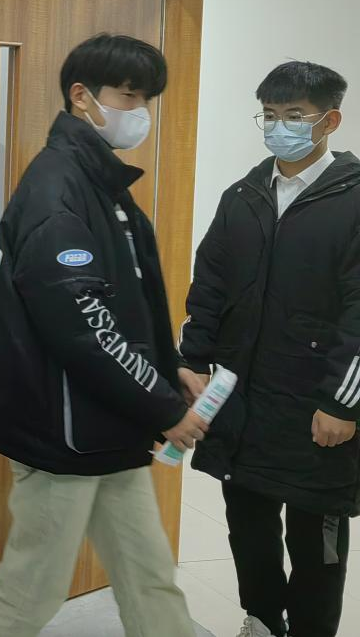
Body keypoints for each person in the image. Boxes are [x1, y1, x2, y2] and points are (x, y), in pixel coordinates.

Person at [0, 33, 198, 637]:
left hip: (108, 425)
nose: (139, 112)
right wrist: (166, 409)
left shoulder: (101, 185)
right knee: (29, 591)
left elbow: (130, 305)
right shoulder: (57, 189)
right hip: (63, 433)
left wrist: (169, 366)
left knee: (150, 578)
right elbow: (84, 326)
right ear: (81, 96)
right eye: (128, 96)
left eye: (146, 99)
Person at [181, 60, 359, 637]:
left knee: (316, 546)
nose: (280, 127)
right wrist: (192, 359)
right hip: (244, 403)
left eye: (295, 116)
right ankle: (260, 621)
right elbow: (209, 283)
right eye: (271, 115)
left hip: (316, 411)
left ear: (330, 120)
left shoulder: (354, 200)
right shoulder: (244, 195)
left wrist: (342, 404)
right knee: (248, 529)